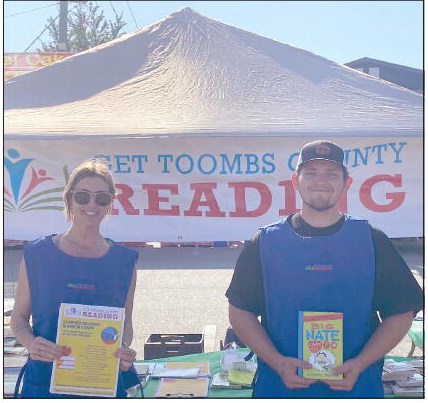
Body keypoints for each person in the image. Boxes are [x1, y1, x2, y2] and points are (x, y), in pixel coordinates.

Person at [226, 140, 423, 398]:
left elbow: (400, 313)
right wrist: (277, 361)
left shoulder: (371, 240)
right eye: (311, 173)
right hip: (280, 385)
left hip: (355, 385)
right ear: (295, 181)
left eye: (331, 174)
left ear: (346, 183)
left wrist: (361, 363)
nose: (321, 181)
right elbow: (240, 311)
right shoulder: (265, 241)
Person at [11, 159, 139, 398]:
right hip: (45, 383)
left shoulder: (125, 261)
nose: (92, 204)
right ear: (69, 198)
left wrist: (122, 350)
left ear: (110, 202)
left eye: (101, 198)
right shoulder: (37, 255)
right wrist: (31, 344)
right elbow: (18, 319)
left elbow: (125, 325)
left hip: (100, 379)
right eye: (83, 196)